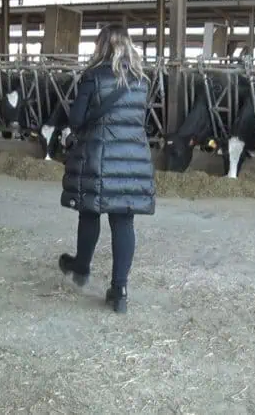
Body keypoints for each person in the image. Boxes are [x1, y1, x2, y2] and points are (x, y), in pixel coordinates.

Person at [58, 23, 156, 314]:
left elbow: (76, 120)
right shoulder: (141, 80)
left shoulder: (93, 77)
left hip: (99, 155)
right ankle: (119, 290)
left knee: (90, 210)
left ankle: (82, 267)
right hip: (133, 157)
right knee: (123, 221)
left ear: (101, 46)